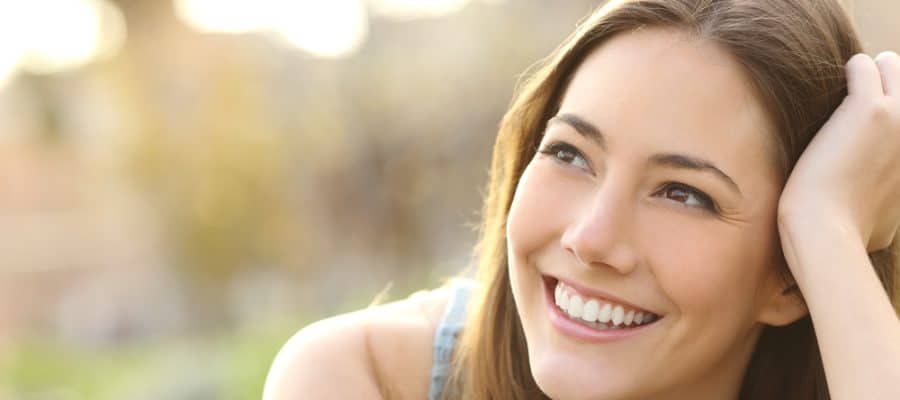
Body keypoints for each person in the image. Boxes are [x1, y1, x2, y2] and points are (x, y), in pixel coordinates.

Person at [262, 0, 900, 398]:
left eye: (683, 193)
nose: (590, 238)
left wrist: (826, 230)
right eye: (568, 154)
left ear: (791, 282)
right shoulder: (359, 379)